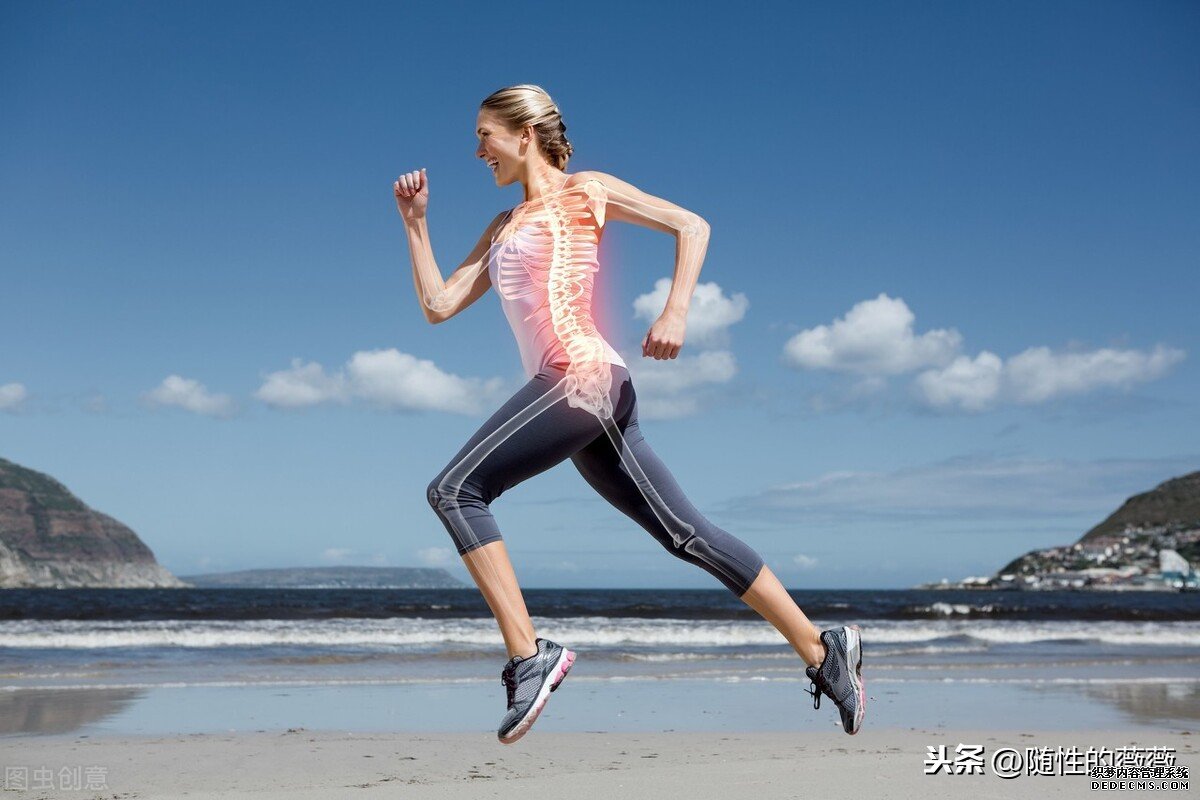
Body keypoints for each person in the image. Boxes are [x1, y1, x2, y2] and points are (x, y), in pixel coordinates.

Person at [393, 84, 865, 743]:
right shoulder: (501, 228)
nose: (477, 151)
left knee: (455, 490)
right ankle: (823, 649)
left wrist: (676, 309)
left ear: (524, 134)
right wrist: (416, 226)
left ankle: (531, 657)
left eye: (484, 136)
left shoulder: (586, 190)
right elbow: (438, 305)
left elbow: (692, 225)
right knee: (686, 534)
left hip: (582, 376)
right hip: (584, 396)